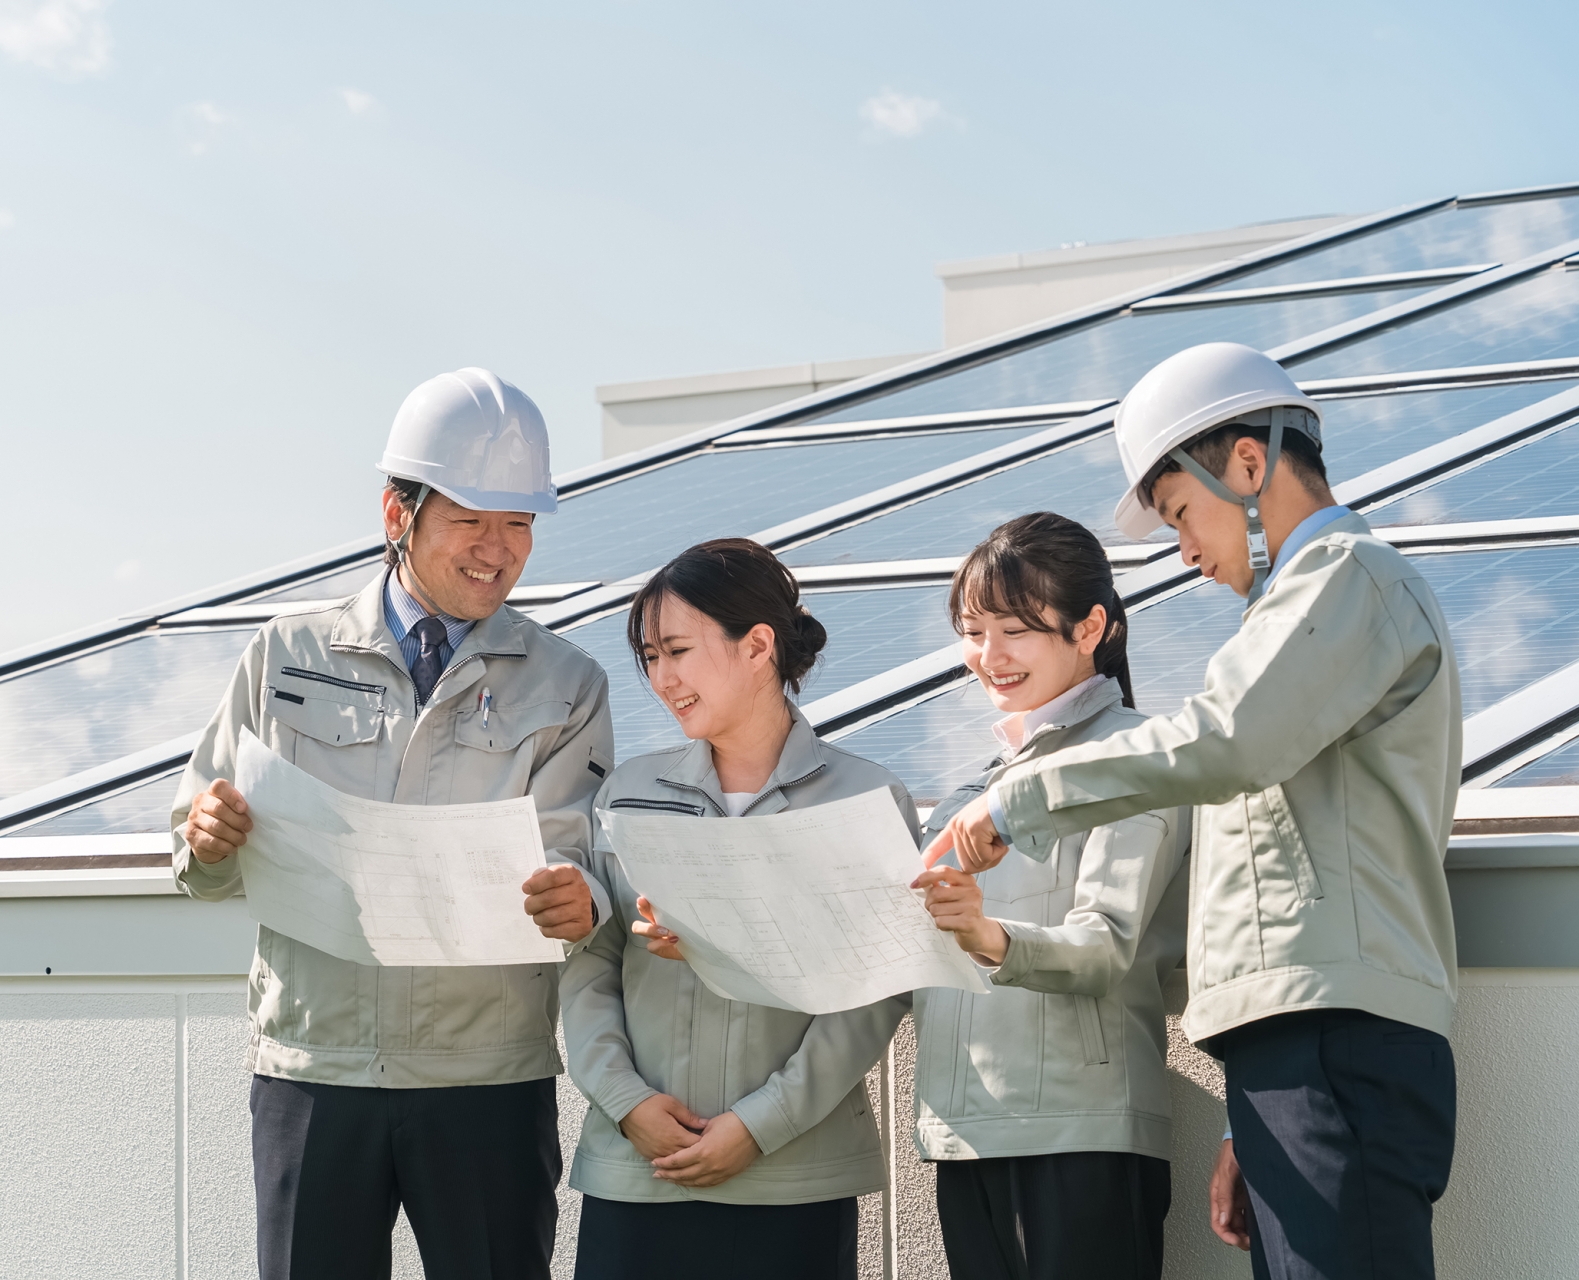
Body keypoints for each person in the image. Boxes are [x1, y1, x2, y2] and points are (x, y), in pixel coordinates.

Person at [929, 343, 1460, 1280]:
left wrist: (1021, 800)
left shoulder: (1347, 576)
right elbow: (1276, 888)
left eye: (1181, 512)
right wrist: (1240, 1114)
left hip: (1336, 1040)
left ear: (1248, 465)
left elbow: (1224, 744)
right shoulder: (1290, 618)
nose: (1183, 549)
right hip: (1299, 1049)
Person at [171, 368, 617, 1280]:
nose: (498, 550)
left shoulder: (567, 684)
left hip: (485, 1076)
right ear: (396, 514)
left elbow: (577, 856)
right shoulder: (287, 654)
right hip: (313, 1068)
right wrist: (206, 839)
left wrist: (581, 901)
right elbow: (199, 843)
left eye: (519, 523)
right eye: (471, 520)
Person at [560, 538, 910, 1280]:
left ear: (758, 647)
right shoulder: (627, 793)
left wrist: (760, 1126)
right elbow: (590, 963)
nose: (662, 678)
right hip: (637, 1175)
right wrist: (625, 1103)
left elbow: (875, 990)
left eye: (678, 650)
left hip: (797, 1181)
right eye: (650, 657)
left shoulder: (866, 799)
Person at [908, 512, 1188, 1280]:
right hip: (964, 1134)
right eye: (972, 631)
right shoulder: (970, 788)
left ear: (1090, 626)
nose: (988, 656)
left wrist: (985, 934)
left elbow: (1105, 946)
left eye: (1014, 630)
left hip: (1082, 1136)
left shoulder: (1136, 760)